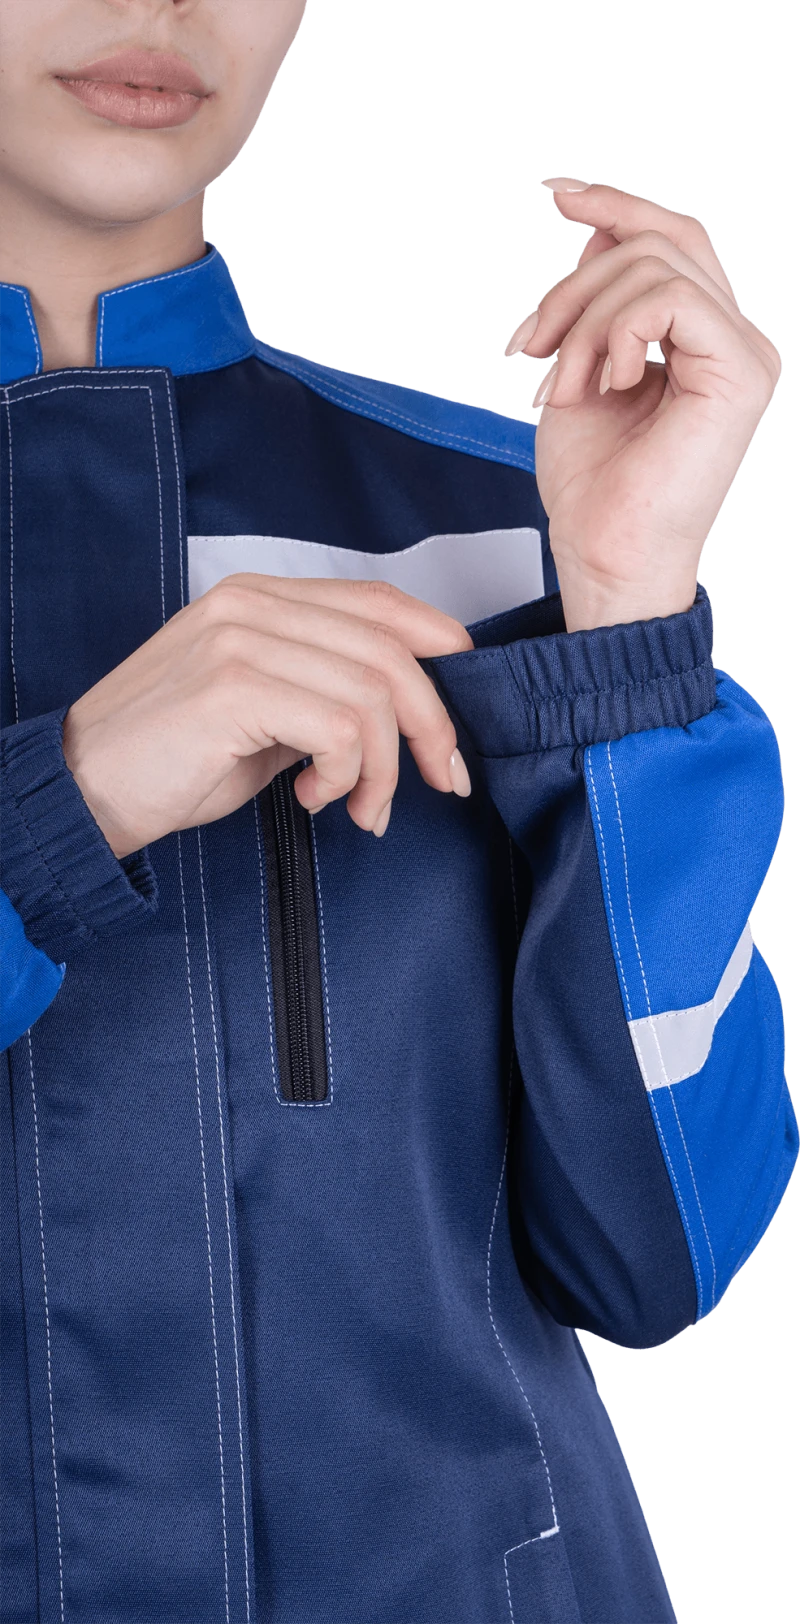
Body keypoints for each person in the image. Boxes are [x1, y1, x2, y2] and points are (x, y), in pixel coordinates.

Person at [0, 4, 794, 1621]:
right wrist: (63, 807)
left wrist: (627, 621)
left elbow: (651, 1254)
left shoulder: (504, 524)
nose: (164, 2)